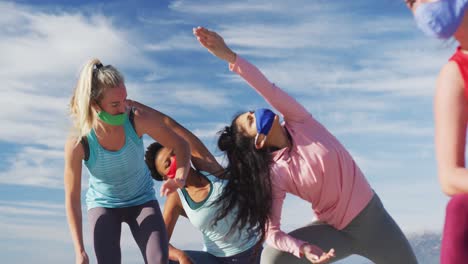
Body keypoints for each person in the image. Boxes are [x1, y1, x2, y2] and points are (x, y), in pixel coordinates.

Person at [193, 26, 418, 264]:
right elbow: (271, 232)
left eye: (250, 112)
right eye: (251, 120)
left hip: (374, 222)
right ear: (258, 141)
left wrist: (230, 56)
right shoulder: (275, 174)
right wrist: (302, 249)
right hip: (335, 231)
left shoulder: (300, 122)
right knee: (271, 258)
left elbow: (267, 88)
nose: (255, 112)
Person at [64, 59, 191, 264]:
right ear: (95, 105)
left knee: (159, 260)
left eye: (125, 100)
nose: (124, 108)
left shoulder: (137, 119)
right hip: (104, 204)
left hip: (141, 199)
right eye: (115, 105)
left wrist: (180, 177)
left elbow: (182, 145)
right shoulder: (79, 142)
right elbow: (71, 198)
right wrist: (80, 250)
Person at [144, 118, 263, 264]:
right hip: (214, 259)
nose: (175, 159)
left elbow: (174, 127)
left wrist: (137, 110)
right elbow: (159, 243)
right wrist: (180, 256)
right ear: (165, 177)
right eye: (168, 164)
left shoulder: (210, 170)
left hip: (251, 254)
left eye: (174, 153)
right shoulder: (176, 198)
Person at [407, 1, 468, 263]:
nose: (420, 7)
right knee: (460, 209)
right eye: (411, 3)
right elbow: (449, 177)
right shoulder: (454, 75)